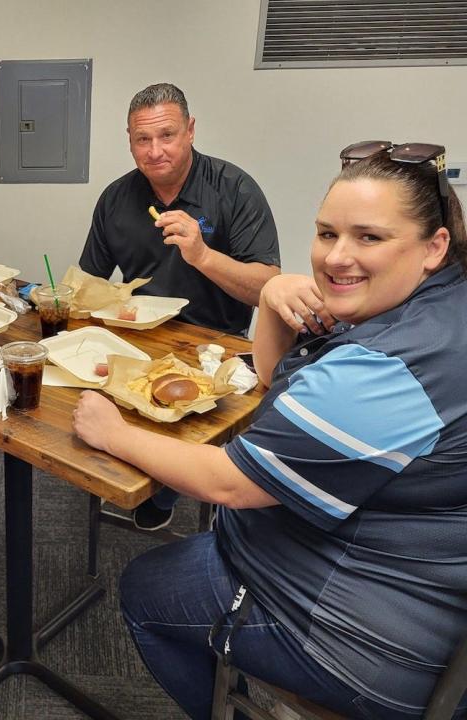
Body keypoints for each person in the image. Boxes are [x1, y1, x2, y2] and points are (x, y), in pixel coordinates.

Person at [72, 141, 467, 718]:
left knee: (143, 588)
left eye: (369, 237)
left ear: (434, 247)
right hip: (412, 570)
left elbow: (230, 484)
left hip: (368, 630)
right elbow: (269, 374)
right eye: (327, 234)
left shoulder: (387, 369)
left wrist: (110, 432)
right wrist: (274, 298)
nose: (336, 256)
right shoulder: (434, 308)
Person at [79, 82, 282, 531]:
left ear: (190, 131)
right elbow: (90, 283)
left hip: (216, 347)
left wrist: (203, 255)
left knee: (177, 428)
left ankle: (166, 482)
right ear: (129, 140)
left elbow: (268, 287)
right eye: (142, 139)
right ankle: (144, 472)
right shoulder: (116, 198)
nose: (155, 151)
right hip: (139, 338)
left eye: (166, 135)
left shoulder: (235, 190)